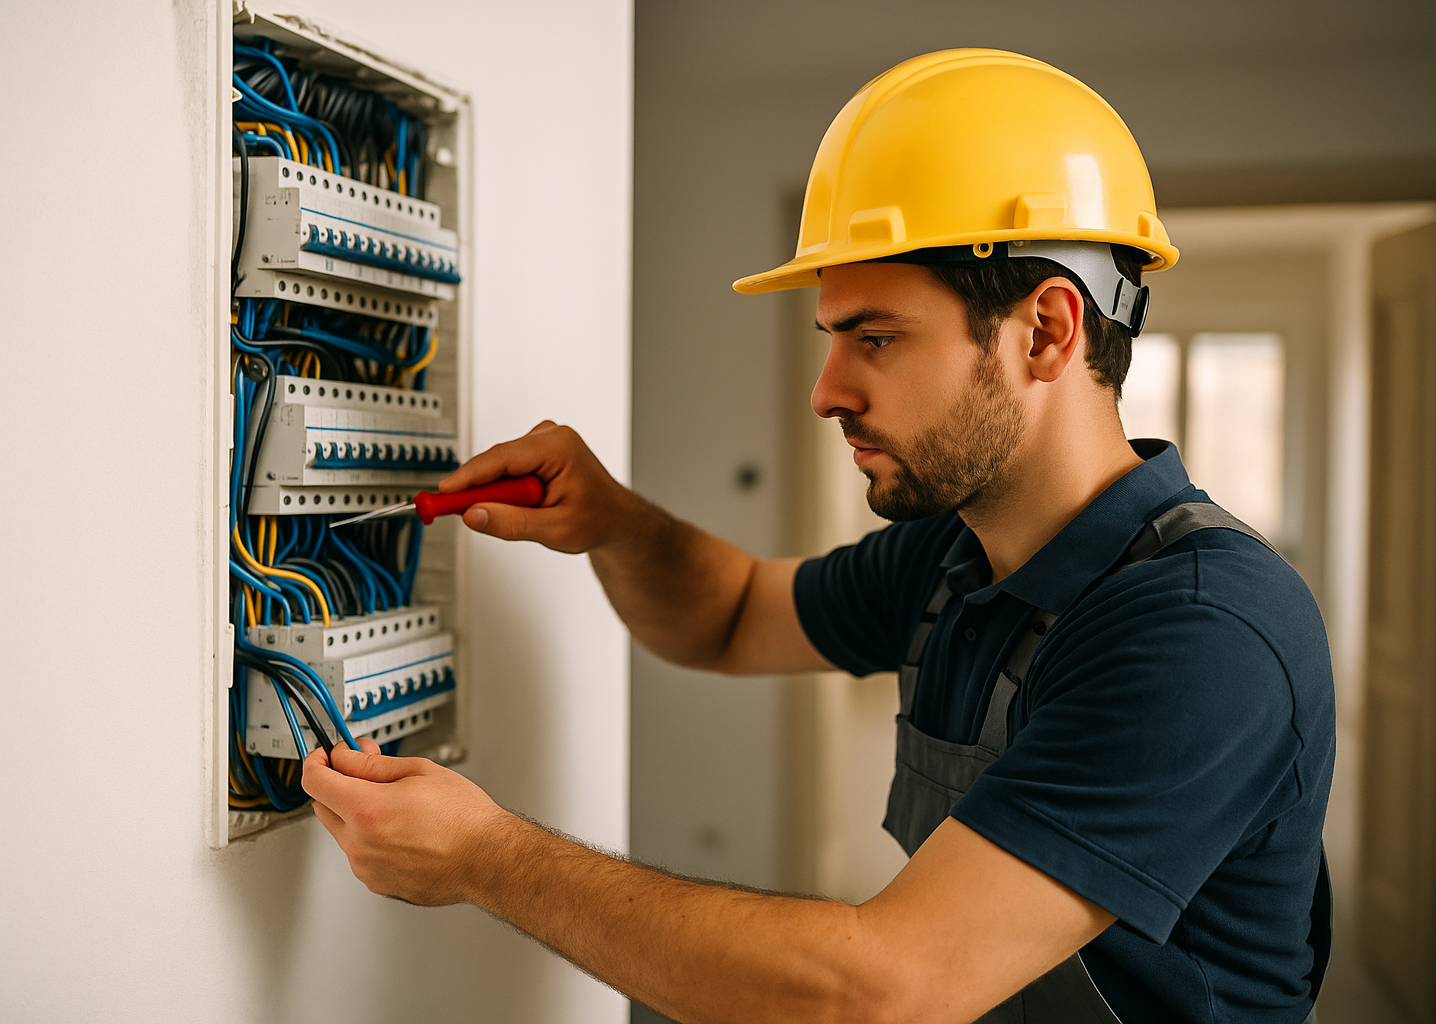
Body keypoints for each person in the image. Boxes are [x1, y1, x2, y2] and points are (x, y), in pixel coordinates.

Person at [303, 49, 1335, 1024]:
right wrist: (613, 521)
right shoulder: (957, 552)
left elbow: (878, 994)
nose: (827, 392)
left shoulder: (1204, 633)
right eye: (833, 339)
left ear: (1047, 330)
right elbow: (728, 615)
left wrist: (488, 856)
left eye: (876, 337)